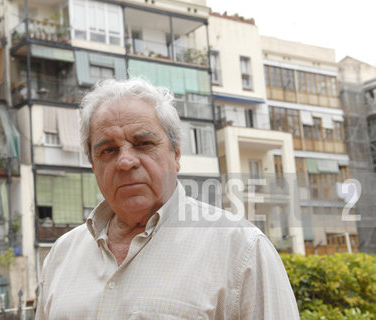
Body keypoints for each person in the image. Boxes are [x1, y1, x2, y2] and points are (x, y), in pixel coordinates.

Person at [35, 78, 300, 319]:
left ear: (176, 155)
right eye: (108, 150)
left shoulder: (242, 249)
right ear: (93, 164)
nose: (125, 161)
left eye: (143, 144)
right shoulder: (61, 254)